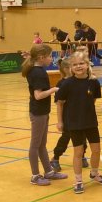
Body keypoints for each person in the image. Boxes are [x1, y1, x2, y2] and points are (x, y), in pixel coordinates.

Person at [55, 51, 102, 194]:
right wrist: (60, 122)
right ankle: (78, 180)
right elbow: (60, 103)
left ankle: (94, 173)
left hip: (91, 122)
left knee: (96, 150)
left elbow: (93, 100)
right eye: (75, 64)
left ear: (87, 64)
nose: (78, 66)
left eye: (81, 63)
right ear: (71, 67)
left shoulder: (94, 82)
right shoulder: (67, 84)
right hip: (74, 123)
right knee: (78, 152)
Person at [22, 44, 68, 186]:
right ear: (41, 58)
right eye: (49, 56)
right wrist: (54, 89)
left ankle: (48, 171)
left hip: (42, 111)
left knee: (42, 144)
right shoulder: (37, 73)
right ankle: (35, 176)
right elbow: (38, 95)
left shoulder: (38, 69)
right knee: (35, 145)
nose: (51, 59)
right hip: (38, 112)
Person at [49, 58, 89, 172]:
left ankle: (82, 155)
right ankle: (55, 158)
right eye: (72, 66)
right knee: (66, 137)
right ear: (66, 69)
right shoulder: (62, 83)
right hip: (68, 117)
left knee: (83, 137)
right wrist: (60, 121)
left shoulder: (79, 80)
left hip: (81, 116)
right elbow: (59, 104)